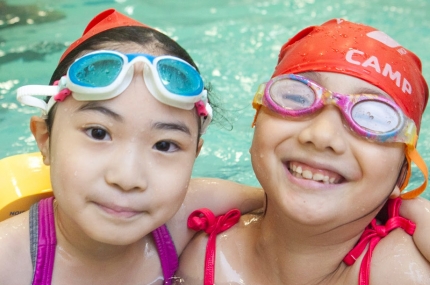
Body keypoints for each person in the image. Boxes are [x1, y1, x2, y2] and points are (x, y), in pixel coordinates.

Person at [0, 9, 263, 285]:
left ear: (194, 156)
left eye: (164, 145)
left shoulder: (185, 217)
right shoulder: (10, 262)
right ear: (45, 139)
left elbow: (282, 209)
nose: (127, 179)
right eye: (98, 133)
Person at [176, 18, 430, 284]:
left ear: (402, 175)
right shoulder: (198, 250)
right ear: (256, 121)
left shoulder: (397, 271)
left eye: (372, 117)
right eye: (297, 97)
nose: (321, 136)